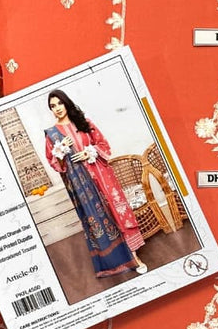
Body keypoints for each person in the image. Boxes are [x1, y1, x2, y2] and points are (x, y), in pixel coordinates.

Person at [44, 89, 148, 277]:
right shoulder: (51, 134)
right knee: (101, 218)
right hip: (82, 185)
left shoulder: (84, 122)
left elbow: (103, 145)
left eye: (60, 103)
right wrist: (61, 150)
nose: (57, 108)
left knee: (117, 212)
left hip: (101, 175)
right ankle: (117, 259)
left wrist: (88, 152)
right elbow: (56, 165)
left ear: (66, 103)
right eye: (53, 106)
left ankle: (135, 257)